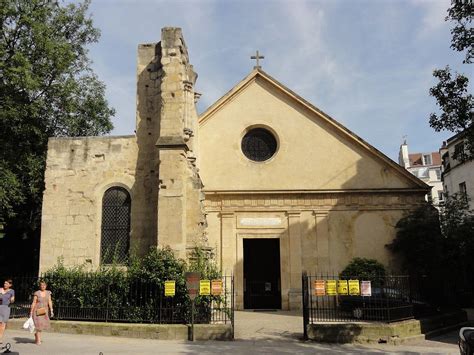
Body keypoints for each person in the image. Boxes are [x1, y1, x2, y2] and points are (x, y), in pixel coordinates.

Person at [29, 280, 53, 345]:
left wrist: (51, 309)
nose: (43, 286)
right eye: (41, 285)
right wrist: (31, 311)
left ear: (46, 286)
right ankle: (38, 340)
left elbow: (49, 301)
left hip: (44, 311)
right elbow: (34, 302)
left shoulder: (48, 293)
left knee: (41, 325)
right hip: (37, 310)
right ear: (40, 286)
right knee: (38, 325)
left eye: (44, 285)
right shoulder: (37, 293)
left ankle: (36, 335)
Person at [0, 279, 15, 345]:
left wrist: (12, 300)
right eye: (4, 283)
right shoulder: (0, 289)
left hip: (6, 308)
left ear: (10, 285)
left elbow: (13, 299)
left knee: (3, 324)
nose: (4, 284)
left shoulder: (12, 291)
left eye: (6, 283)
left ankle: (0, 338)